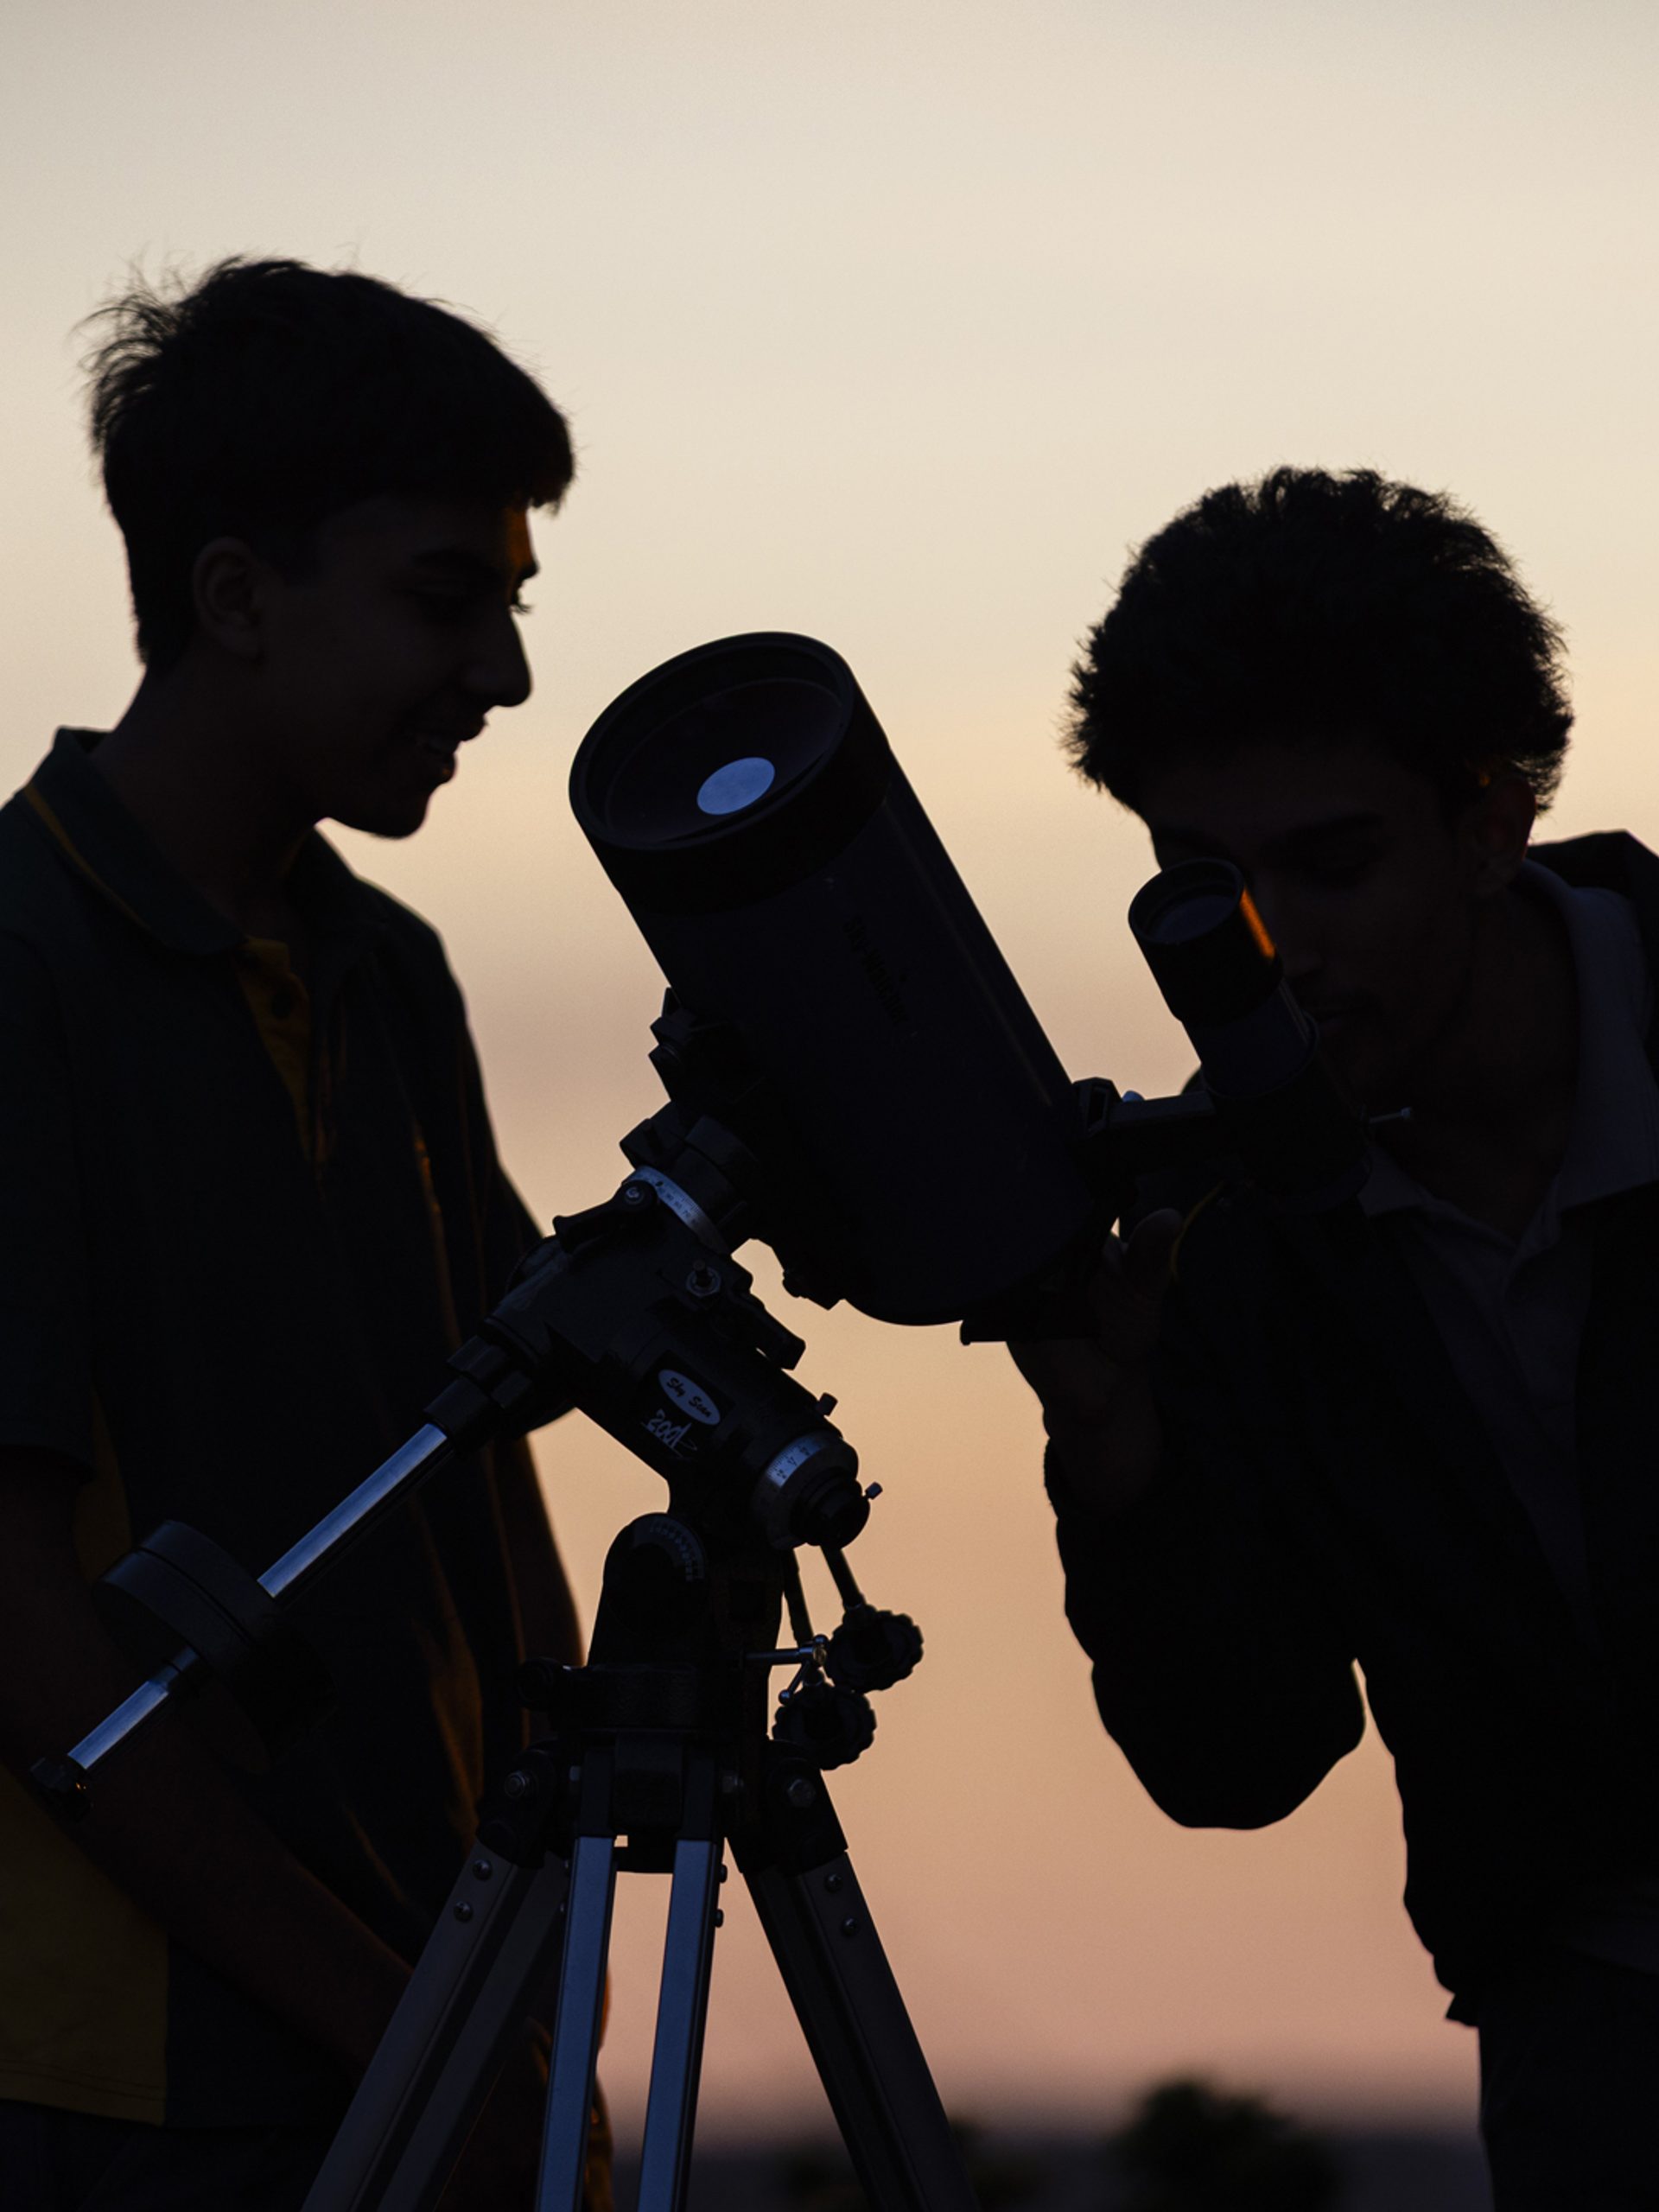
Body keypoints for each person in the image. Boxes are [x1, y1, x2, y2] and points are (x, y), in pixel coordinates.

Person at [0, 259, 605, 2209]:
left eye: (511, 610)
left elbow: (488, 1498)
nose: (501, 679)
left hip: (423, 2042)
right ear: (239, 596)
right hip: (114, 2098)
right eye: (450, 600)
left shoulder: (391, 972)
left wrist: (536, 2008)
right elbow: (22, 1623)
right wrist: (408, 2026)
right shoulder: (18, 959)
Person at [1014, 467, 1659, 2210]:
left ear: (1495, 815)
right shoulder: (1229, 1243)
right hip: (1596, 2048)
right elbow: (1236, 1757)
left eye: (1333, 861)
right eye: (1203, 886)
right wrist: (1118, 1455)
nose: (1271, 948)